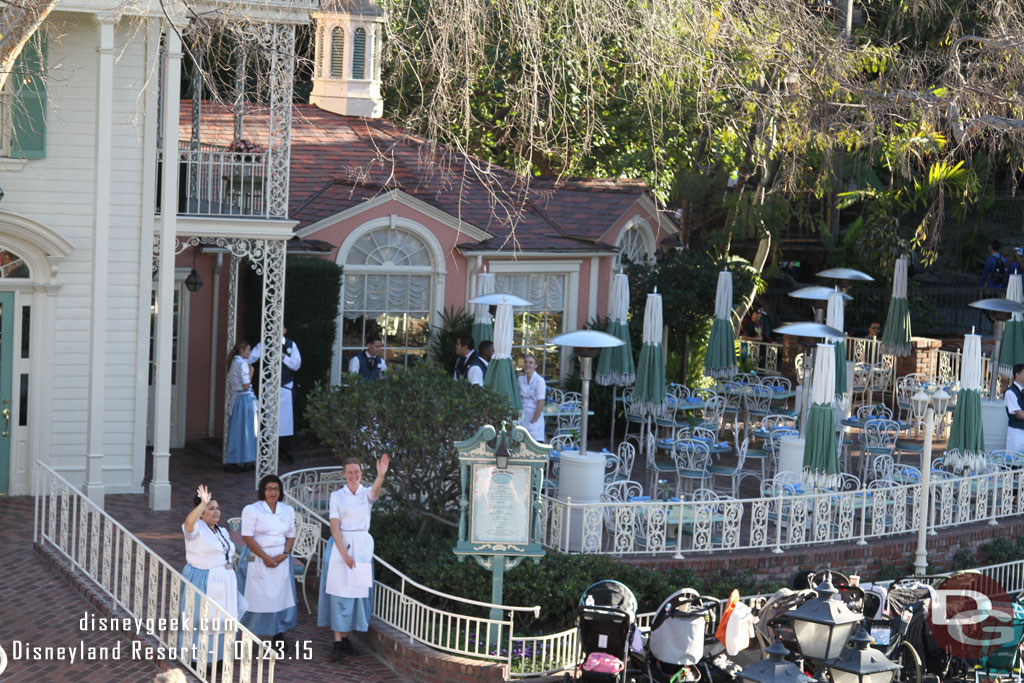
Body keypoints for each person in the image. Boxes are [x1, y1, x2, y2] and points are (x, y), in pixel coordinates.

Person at [318, 453, 390, 661]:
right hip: (342, 547)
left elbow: (375, 492)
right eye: (349, 472)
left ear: (361, 473)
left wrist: (381, 475)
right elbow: (334, 527)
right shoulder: (337, 496)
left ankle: (347, 638)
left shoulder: (365, 493)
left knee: (355, 594)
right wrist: (345, 555)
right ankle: (338, 641)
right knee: (340, 593)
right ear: (344, 474)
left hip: (362, 548)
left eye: (356, 472)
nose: (353, 475)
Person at [181, 485, 245, 664]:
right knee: (202, 620)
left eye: (217, 508)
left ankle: (219, 657)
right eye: (211, 508)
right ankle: (198, 658)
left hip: (225, 581)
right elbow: (188, 524)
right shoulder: (196, 529)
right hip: (204, 579)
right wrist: (202, 503)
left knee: (224, 620)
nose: (216, 511)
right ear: (201, 512)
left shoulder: (222, 531)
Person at [237, 475, 298, 642]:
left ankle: (278, 634)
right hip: (257, 557)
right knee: (255, 597)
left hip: (281, 559)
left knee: (279, 596)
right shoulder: (252, 509)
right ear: (263, 491)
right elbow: (247, 536)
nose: (273, 492)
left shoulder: (287, 510)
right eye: (269, 489)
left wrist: (284, 554)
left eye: (276, 489)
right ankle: (250, 634)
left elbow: (291, 535)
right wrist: (265, 558)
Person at [249, 328, 302, 464]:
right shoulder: (264, 344)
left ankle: (286, 449)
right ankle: (268, 449)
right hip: (270, 386)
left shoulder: (291, 344)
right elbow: (251, 357)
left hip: (285, 386)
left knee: (285, 420)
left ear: (284, 330)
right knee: (269, 417)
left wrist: (284, 357)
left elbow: (296, 365)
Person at [225, 341, 257, 471]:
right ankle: (243, 460)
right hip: (244, 400)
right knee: (246, 431)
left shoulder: (234, 363)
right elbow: (246, 385)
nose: (249, 353)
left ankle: (238, 459)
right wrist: (251, 372)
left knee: (238, 430)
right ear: (242, 350)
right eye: (248, 350)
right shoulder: (242, 364)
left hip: (238, 399)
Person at [518, 354, 546, 442]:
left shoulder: (539, 381)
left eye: (531, 362)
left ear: (536, 366)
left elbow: (541, 403)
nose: (527, 364)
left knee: (534, 446)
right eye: (526, 362)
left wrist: (534, 420)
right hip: (522, 417)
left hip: (534, 418)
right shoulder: (520, 379)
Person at [1005, 364, 1024, 453]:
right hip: (1016, 433)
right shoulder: (1010, 392)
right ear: (1017, 375)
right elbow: (1019, 414)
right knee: (1014, 461)